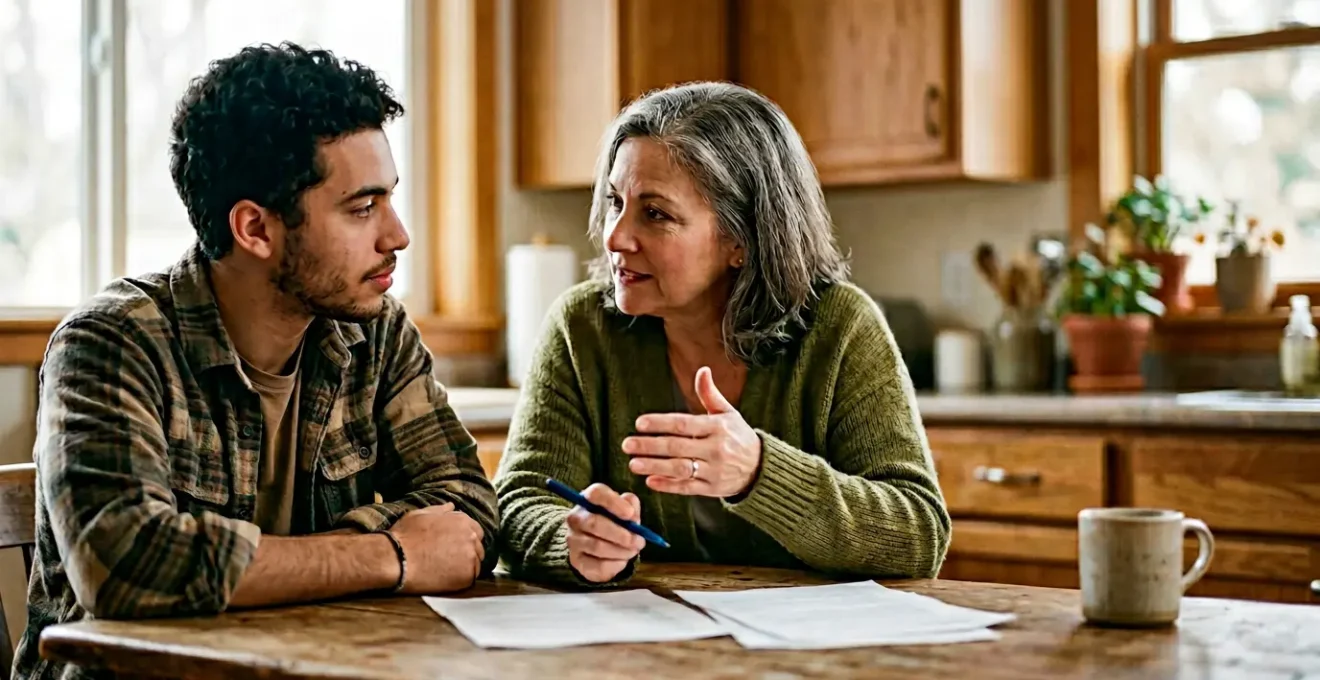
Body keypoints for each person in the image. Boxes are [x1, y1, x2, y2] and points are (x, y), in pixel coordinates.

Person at [14, 43, 498, 680]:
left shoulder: (376, 332)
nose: (397, 235)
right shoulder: (112, 342)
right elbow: (125, 564)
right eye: (362, 208)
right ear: (256, 229)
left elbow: (468, 510)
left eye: (389, 199)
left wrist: (280, 563)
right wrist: (389, 553)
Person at [495, 81, 951, 586]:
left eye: (655, 213)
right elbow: (518, 505)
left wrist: (758, 472)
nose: (615, 236)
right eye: (614, 202)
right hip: (644, 632)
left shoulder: (841, 328)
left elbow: (918, 534)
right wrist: (572, 540)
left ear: (741, 239)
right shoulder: (582, 328)